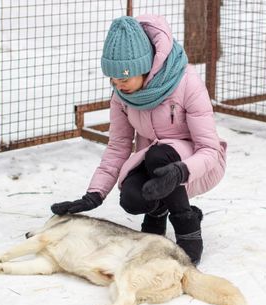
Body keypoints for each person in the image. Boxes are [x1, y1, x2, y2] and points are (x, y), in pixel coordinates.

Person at [50, 15, 227, 265]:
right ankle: (158, 211)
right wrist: (94, 194)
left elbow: (209, 149)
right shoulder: (122, 95)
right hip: (153, 162)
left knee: (159, 155)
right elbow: (118, 146)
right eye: (113, 79)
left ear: (146, 67)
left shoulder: (186, 81)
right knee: (131, 198)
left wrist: (179, 172)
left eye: (123, 78)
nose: (118, 85)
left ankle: (187, 223)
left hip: (196, 165)